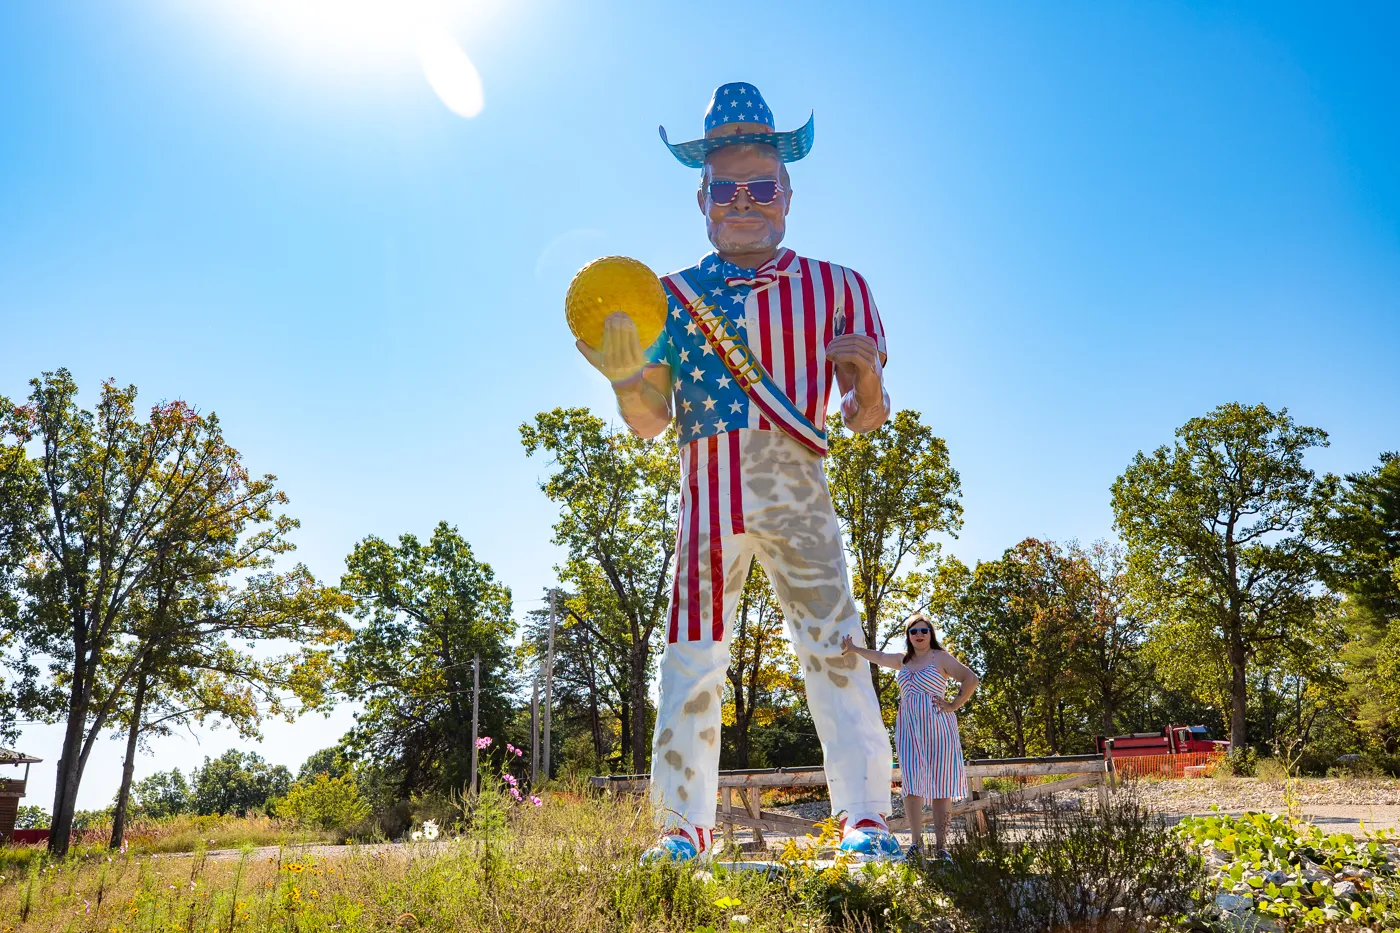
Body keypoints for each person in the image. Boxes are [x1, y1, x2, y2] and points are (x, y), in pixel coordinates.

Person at [575, 82, 901, 861]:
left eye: (761, 186)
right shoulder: (670, 298)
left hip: (800, 486)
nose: (745, 201)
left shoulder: (840, 286)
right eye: (729, 188)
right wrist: (625, 375)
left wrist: (873, 387)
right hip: (706, 490)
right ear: (703, 198)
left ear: (788, 193)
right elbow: (652, 419)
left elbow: (865, 415)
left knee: (835, 644)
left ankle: (865, 818)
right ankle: (682, 825)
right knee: (691, 651)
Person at [841, 612, 979, 859]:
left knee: (940, 787)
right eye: (913, 631)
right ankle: (916, 844)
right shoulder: (903, 660)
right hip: (909, 728)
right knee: (912, 784)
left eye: (924, 630)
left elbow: (971, 679)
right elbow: (880, 657)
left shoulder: (941, 658)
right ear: (908, 636)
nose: (919, 635)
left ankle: (941, 848)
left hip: (938, 727)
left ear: (931, 634)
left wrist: (954, 704)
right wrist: (853, 648)